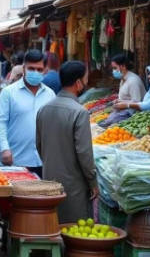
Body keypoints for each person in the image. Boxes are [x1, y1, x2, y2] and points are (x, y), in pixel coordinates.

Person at [36, 61, 99, 224]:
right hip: (74, 184)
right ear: (78, 83)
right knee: (75, 229)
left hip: (49, 178)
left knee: (52, 224)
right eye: (85, 79)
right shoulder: (79, 112)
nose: (86, 83)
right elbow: (84, 153)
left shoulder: (44, 109)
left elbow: (39, 144)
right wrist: (93, 182)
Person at [0, 49, 56, 177]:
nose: (35, 72)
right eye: (31, 68)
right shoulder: (8, 93)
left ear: (45, 70)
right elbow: (0, 123)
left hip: (42, 160)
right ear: (23, 68)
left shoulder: (50, 94)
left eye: (39, 69)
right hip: (15, 159)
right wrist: (4, 148)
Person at [100, 54, 147, 127]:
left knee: (110, 122)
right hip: (123, 110)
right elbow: (126, 98)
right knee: (105, 119)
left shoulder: (133, 80)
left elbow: (137, 102)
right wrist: (118, 101)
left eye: (115, 68)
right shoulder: (123, 79)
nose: (113, 71)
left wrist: (123, 104)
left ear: (123, 66)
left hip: (132, 112)